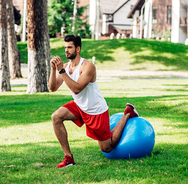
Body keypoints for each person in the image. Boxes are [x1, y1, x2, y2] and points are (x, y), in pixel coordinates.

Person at [49, 34, 139, 168]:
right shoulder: (66, 67)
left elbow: (77, 89)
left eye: (70, 47)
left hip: (95, 110)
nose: (66, 50)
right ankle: (68, 158)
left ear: (78, 49)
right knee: (56, 117)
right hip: (79, 106)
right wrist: (53, 69)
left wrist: (62, 71)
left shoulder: (88, 66)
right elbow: (53, 88)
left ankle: (127, 113)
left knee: (106, 147)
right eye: (65, 47)